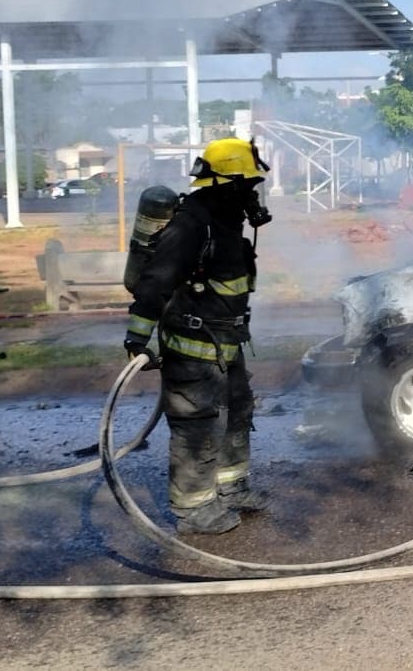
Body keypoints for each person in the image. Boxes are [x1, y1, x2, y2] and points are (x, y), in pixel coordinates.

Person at [123, 137, 273, 535]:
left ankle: (231, 488)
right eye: (247, 185)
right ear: (225, 183)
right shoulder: (192, 225)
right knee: (197, 425)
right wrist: (138, 338)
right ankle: (194, 510)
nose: (252, 193)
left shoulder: (226, 222)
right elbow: (155, 282)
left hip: (226, 343)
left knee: (238, 410)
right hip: (193, 348)